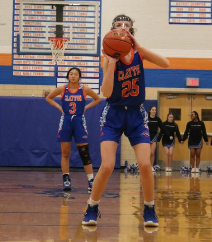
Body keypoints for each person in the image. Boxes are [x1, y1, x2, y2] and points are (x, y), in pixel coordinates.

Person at [82, 14, 169, 227]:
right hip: (113, 114)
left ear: (131, 32)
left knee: (146, 165)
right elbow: (106, 92)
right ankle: (92, 206)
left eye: (127, 26)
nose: (123, 28)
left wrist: (139, 46)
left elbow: (165, 63)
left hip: (136, 116)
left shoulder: (139, 54)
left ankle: (149, 208)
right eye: (119, 25)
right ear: (112, 31)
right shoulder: (108, 58)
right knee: (108, 165)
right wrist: (111, 64)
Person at [46, 67, 101, 192]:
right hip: (66, 121)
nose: (73, 76)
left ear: (79, 77)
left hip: (79, 121)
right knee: (65, 153)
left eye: (76, 74)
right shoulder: (62, 89)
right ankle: (66, 179)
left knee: (84, 152)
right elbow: (48, 98)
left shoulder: (84, 89)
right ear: (68, 76)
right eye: (71, 74)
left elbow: (97, 99)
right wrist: (59, 108)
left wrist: (86, 108)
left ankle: (91, 181)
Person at [148, 106, 167, 172]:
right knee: (147, 153)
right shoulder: (146, 118)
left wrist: (168, 134)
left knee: (152, 153)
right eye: (152, 110)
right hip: (146, 136)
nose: (154, 111)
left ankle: (151, 166)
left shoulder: (157, 119)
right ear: (150, 111)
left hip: (154, 136)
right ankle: (145, 166)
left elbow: (163, 128)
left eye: (155, 110)